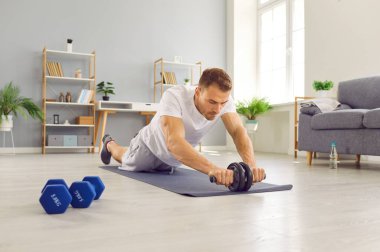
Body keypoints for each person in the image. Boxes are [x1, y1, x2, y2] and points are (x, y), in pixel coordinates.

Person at [100, 68, 266, 187]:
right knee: (125, 157)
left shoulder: (224, 101)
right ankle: (109, 143)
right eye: (212, 102)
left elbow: (238, 132)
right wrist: (214, 169)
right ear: (197, 92)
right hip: (149, 147)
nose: (218, 109)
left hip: (175, 159)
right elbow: (174, 142)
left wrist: (250, 167)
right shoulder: (175, 96)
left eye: (223, 103)